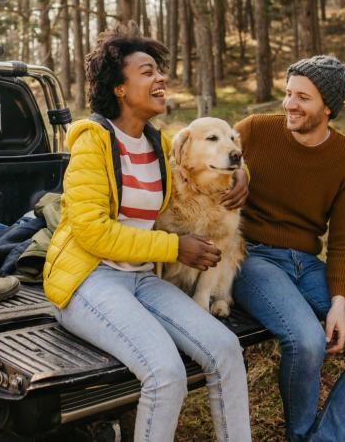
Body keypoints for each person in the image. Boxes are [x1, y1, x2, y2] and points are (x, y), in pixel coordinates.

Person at [43, 24, 252, 442]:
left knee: (227, 351)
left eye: (160, 71)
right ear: (119, 88)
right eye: (147, 71)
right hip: (90, 279)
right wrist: (175, 246)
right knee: (165, 371)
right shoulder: (93, 142)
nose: (161, 79)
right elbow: (92, 232)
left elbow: (207, 157)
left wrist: (243, 171)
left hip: (142, 277)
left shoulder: (158, 143)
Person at [231, 55, 345, 442]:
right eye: (288, 93)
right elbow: (209, 161)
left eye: (302, 98)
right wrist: (236, 175)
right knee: (307, 340)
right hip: (251, 257)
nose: (289, 105)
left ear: (328, 107)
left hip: (307, 264)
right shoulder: (255, 131)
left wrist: (339, 301)